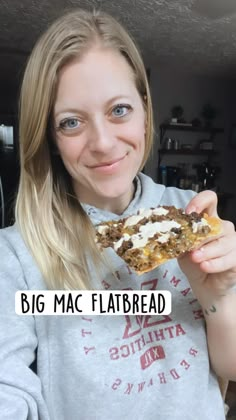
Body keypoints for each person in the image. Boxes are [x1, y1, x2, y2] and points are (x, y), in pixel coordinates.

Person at [0, 8, 236, 420]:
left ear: (146, 111)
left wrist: (215, 298)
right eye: (72, 122)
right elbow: (9, 386)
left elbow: (229, 369)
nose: (104, 143)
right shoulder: (18, 256)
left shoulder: (191, 214)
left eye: (119, 110)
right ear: (52, 139)